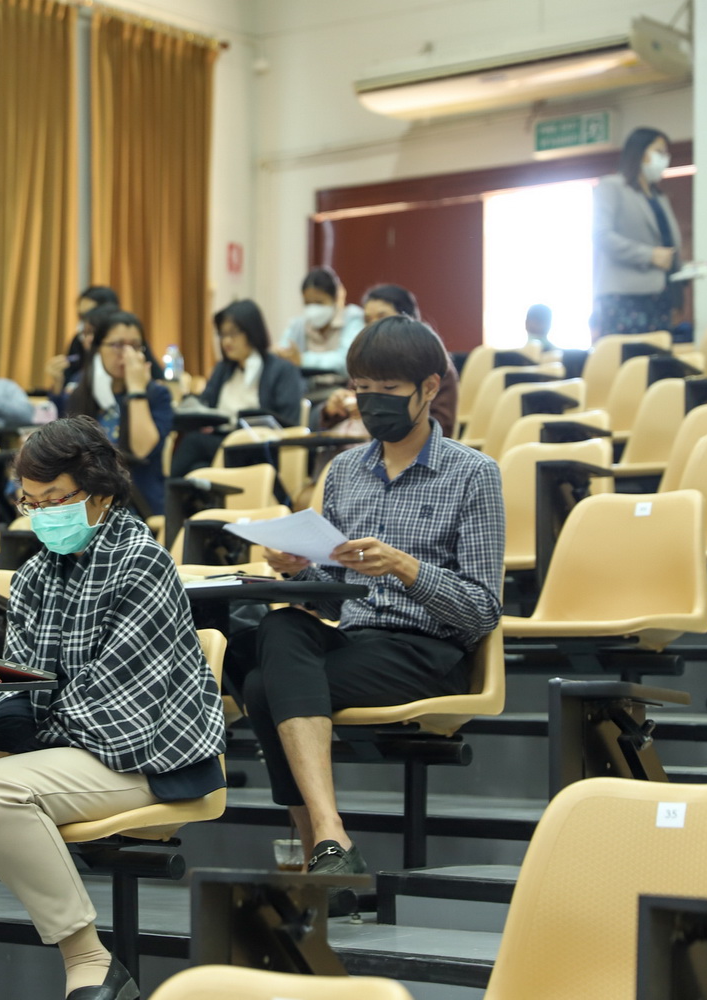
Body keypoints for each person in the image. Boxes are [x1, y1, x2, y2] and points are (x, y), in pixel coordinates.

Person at [0, 416, 224, 1000]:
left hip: (147, 756)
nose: (41, 515)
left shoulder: (143, 562)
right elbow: (16, 683)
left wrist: (18, 755)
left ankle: (90, 960)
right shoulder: (34, 573)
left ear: (100, 491)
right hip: (61, 750)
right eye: (30, 503)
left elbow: (115, 702)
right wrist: (9, 743)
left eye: (54, 499)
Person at [242, 316, 504, 899]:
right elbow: (334, 588)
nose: (372, 402)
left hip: (428, 651)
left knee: (263, 687)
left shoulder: (474, 474)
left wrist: (407, 568)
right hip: (357, 640)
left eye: (388, 390)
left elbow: (483, 610)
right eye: (362, 389)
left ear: (430, 388)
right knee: (278, 627)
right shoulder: (345, 472)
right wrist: (298, 567)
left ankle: (318, 851)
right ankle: (331, 841)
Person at [169, 300, 304, 478]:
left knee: (193, 443)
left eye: (233, 334)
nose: (226, 341)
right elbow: (205, 404)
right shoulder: (224, 369)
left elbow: (289, 422)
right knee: (197, 468)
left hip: (257, 447)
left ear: (252, 331)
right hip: (223, 442)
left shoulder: (281, 370)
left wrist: (250, 417)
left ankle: (162, 493)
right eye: (222, 334)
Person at [66, 308, 174, 515]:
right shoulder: (81, 393)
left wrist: (136, 390)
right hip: (86, 500)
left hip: (138, 502)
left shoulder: (157, 395)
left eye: (135, 346)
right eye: (117, 345)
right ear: (98, 349)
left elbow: (142, 449)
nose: (127, 354)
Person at [316, 285, 461, 437]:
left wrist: (381, 414)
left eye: (390, 387)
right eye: (367, 320)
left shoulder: (432, 364)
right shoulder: (366, 361)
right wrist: (335, 409)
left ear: (407, 320)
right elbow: (339, 420)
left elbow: (442, 427)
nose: (374, 326)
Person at [593, 127, 682, 338]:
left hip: (660, 295)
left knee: (657, 357)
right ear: (640, 152)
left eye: (666, 153)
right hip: (624, 296)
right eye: (659, 152)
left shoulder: (659, 197)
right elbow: (602, 236)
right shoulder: (611, 186)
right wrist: (649, 255)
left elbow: (667, 243)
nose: (664, 158)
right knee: (628, 357)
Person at [274, 266, 365, 376]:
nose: (313, 309)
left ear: (334, 299)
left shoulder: (352, 319)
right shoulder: (298, 325)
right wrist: (279, 353)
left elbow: (346, 361)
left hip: (341, 385)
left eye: (319, 302)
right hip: (305, 386)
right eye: (308, 303)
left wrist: (302, 360)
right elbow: (284, 351)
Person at [47, 285, 121, 394]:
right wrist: (58, 381)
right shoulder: (78, 341)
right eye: (80, 316)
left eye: (89, 314)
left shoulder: (127, 344)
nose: (88, 339)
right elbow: (67, 392)